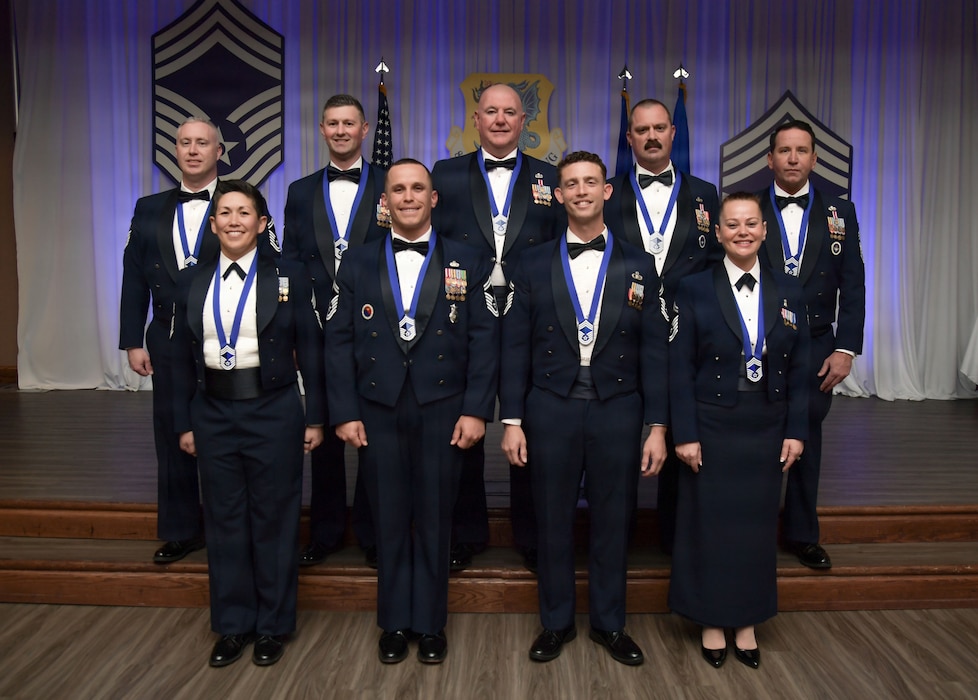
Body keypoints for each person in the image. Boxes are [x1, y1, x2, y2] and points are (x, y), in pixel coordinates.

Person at [324, 159, 499, 665]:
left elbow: (484, 341)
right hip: (376, 408)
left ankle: (431, 623)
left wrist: (476, 410)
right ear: (385, 201)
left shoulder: (468, 258)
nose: (407, 197)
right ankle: (395, 622)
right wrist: (344, 411)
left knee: (436, 515)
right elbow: (337, 342)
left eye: (417, 188)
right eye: (397, 189)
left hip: (444, 408)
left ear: (433, 197)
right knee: (389, 517)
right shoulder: (355, 262)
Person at [500, 151, 669, 666]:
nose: (580, 191)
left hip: (618, 409)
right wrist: (511, 420)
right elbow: (514, 346)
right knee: (551, 520)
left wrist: (658, 425)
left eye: (589, 182)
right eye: (570, 184)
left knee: (614, 519)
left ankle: (609, 623)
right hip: (549, 407)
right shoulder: (529, 262)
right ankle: (554, 622)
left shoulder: (639, 263)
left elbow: (656, 349)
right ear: (558, 195)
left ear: (606, 191)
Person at [171, 180, 325, 668]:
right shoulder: (191, 280)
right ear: (213, 224)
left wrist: (316, 416)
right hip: (212, 412)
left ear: (261, 224)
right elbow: (177, 362)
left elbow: (314, 353)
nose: (233, 220)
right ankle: (234, 624)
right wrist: (185, 423)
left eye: (244, 212)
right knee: (224, 521)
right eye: (225, 212)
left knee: (274, 520)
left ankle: (273, 626)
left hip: (273, 409)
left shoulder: (291, 275)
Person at [668, 192, 809, 669]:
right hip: (710, 424)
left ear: (764, 231)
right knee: (708, 526)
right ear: (718, 232)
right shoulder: (692, 288)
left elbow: (802, 370)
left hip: (767, 427)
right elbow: (678, 368)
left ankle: (746, 621)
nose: (743, 231)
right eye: (732, 224)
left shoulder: (789, 290)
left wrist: (796, 430)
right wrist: (684, 432)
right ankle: (710, 620)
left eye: (751, 223)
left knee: (753, 529)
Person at [432, 83, 564, 572]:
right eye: (492, 112)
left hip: (531, 319)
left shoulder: (551, 178)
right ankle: (464, 532)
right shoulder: (443, 174)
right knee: (460, 423)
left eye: (511, 112)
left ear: (524, 120)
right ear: (477, 117)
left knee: (527, 423)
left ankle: (531, 536)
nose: (502, 120)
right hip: (462, 315)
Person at [605, 98, 722, 555]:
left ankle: (676, 538)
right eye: (642, 130)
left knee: (682, 432)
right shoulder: (607, 193)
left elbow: (714, 263)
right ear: (629, 137)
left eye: (659, 128)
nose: (651, 137)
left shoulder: (706, 194)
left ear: (673, 132)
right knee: (618, 439)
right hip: (620, 331)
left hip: (684, 335)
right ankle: (621, 537)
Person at [282, 94, 387, 567]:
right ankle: (324, 533)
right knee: (320, 432)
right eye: (333, 124)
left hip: (378, 332)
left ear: (365, 129)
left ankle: (370, 531)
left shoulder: (392, 183)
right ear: (321, 130)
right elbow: (289, 265)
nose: (341, 131)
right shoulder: (300, 192)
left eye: (350, 123)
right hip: (319, 329)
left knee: (371, 434)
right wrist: (293, 331)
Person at [758, 119, 865, 569]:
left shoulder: (842, 211)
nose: (793, 158)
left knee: (808, 439)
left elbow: (854, 285)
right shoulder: (745, 208)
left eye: (802, 151)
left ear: (815, 158)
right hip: (759, 345)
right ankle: (755, 534)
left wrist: (846, 348)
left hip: (819, 346)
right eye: (785, 150)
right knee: (759, 440)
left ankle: (803, 535)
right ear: (770, 159)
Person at [119, 117, 221, 563]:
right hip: (166, 335)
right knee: (172, 431)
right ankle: (181, 530)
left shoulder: (241, 202)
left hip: (225, 336)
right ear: (175, 151)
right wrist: (131, 339)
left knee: (222, 432)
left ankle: (226, 527)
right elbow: (133, 276)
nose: (193, 150)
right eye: (185, 143)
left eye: (203, 143)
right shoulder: (148, 207)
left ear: (219, 151)